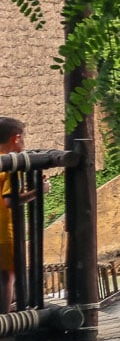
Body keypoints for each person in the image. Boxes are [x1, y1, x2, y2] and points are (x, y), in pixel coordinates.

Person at [0, 117, 45, 314]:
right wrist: (39, 191)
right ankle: (3, 325)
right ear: (16, 138)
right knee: (6, 277)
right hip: (3, 230)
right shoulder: (12, 164)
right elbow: (9, 201)